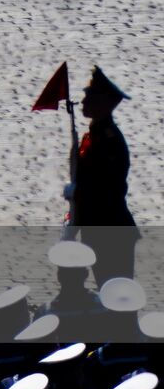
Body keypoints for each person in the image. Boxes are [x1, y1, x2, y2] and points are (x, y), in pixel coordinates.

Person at [66, 66, 139, 285]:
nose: (84, 101)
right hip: (97, 228)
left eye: (90, 97)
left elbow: (108, 189)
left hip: (111, 229)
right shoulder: (93, 136)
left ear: (105, 103)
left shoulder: (109, 141)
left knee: (117, 296)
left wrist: (78, 192)